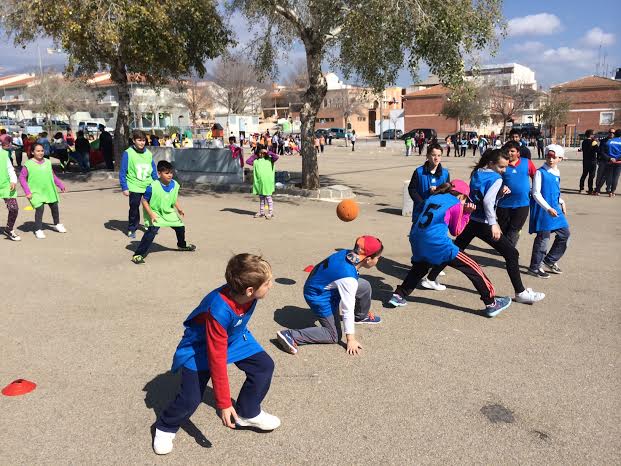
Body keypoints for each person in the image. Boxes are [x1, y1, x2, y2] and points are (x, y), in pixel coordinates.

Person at [153, 254, 281, 455]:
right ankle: (165, 426)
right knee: (191, 399)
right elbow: (217, 359)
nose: (271, 285)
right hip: (200, 347)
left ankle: (248, 412)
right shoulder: (219, 311)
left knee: (263, 366)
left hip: (234, 337)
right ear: (250, 291)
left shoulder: (246, 293)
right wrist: (223, 403)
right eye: (267, 283)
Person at [425, 149, 545, 305]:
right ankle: (520, 292)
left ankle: (430, 278)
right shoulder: (496, 178)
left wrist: (499, 194)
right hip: (483, 222)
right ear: (492, 163)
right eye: (501, 167)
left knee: (455, 249)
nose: (504, 171)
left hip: (471, 219)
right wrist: (494, 223)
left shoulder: (477, 172)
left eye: (505, 167)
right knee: (512, 254)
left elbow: (481, 196)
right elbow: (488, 202)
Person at [388, 180, 511, 317]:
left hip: (416, 238)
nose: (464, 202)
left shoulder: (433, 197)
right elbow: (456, 231)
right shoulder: (456, 203)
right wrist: (466, 213)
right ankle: (491, 303)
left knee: (420, 267)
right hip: (438, 243)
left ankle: (399, 295)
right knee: (473, 267)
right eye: (465, 199)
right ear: (461, 196)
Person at [276, 236, 383, 356]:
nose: (379, 260)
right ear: (368, 259)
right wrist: (351, 339)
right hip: (318, 296)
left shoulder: (347, 253)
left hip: (322, 283)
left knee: (364, 286)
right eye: (378, 257)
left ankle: (360, 316)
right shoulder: (348, 278)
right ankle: (291, 335)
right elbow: (347, 309)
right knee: (334, 335)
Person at [131, 161, 196, 264]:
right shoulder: (152, 186)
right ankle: (138, 254)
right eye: (166, 173)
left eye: (171, 172)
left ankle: (182, 245)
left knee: (180, 227)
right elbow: (144, 201)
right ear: (159, 173)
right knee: (151, 232)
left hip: (168, 212)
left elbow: (173, 199)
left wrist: (179, 209)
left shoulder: (175, 184)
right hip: (155, 212)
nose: (170, 175)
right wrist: (151, 214)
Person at [528, 145, 570, 278]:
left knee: (565, 234)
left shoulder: (556, 172)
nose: (551, 159)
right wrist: (548, 208)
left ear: (560, 159)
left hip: (555, 208)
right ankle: (535, 267)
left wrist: (561, 201)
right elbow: (536, 193)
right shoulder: (540, 172)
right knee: (543, 238)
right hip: (544, 210)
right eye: (548, 156)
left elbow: (554, 191)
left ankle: (550, 260)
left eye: (554, 157)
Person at [19, 143, 67, 239]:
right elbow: (22, 178)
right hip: (36, 191)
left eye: (42, 150)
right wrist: (27, 192)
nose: (40, 152)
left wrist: (60, 184)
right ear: (32, 152)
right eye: (38, 151)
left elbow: (52, 175)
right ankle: (38, 230)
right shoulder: (28, 164)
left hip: (49, 190)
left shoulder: (48, 162)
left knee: (54, 207)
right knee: (40, 209)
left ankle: (57, 224)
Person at [496, 141, 537, 246]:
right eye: (507, 151)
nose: (509, 153)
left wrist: (535, 190)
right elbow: (494, 180)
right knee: (505, 229)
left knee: (513, 230)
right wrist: (501, 187)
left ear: (518, 153)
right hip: (503, 204)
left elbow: (536, 177)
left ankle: (510, 252)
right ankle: (508, 247)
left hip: (522, 203)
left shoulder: (526, 162)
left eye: (512, 151)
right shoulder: (501, 164)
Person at [119, 130, 158, 238]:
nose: (142, 143)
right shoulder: (128, 153)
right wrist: (124, 187)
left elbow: (153, 170)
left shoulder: (148, 154)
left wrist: (157, 183)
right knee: (134, 208)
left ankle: (148, 225)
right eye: (139, 140)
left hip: (148, 184)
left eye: (143, 140)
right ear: (134, 141)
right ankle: (132, 228)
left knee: (149, 207)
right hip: (134, 185)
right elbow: (122, 171)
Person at [408, 142, 450, 224]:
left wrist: (438, 191)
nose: (436, 158)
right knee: (417, 235)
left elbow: (447, 192)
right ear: (427, 156)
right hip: (420, 212)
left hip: (438, 213)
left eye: (439, 155)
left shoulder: (445, 174)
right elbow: (412, 189)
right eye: (433, 155)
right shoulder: (419, 172)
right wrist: (422, 203)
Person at [246, 145, 279, 219]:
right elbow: (248, 161)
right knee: (262, 198)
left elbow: (276, 157)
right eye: (260, 153)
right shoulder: (256, 161)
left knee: (268, 197)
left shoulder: (270, 160)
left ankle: (270, 213)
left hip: (267, 183)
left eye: (263, 153)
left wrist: (267, 152)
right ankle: (262, 212)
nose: (262, 154)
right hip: (260, 183)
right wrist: (256, 155)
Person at [0, 143, 20, 241]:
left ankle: (9, 229)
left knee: (14, 208)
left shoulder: (3, 153)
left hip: (5, 185)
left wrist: (13, 180)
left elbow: (10, 168)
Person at [599, 129, 621, 197]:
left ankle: (598, 189)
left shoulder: (609, 142)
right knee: (615, 177)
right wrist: (616, 158)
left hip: (609, 161)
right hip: (618, 162)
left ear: (615, 134)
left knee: (607, 176)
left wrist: (610, 158)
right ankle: (612, 191)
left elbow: (603, 151)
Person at [579, 130, 598, 194]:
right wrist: (595, 142)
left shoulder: (583, 142)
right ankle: (590, 189)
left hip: (585, 160)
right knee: (591, 176)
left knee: (584, 175)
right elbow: (597, 150)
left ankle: (581, 188)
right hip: (592, 160)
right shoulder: (593, 142)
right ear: (591, 135)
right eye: (593, 134)